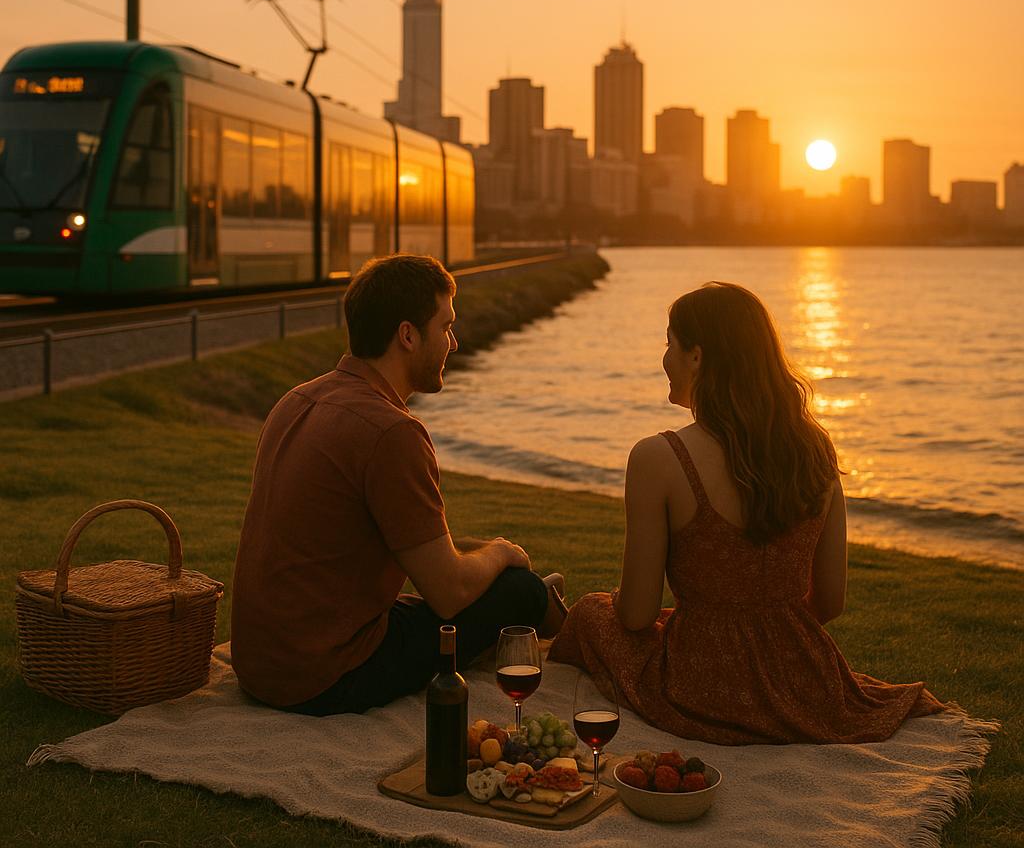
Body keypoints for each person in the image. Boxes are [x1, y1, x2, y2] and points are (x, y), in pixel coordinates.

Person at [548, 281, 945, 744]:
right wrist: (766, 641)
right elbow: (830, 602)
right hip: (804, 679)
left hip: (699, 684)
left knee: (591, 611)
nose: (665, 359)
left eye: (669, 344)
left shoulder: (659, 457)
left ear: (697, 356)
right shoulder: (816, 450)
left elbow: (636, 616)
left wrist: (707, 627)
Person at [231, 253, 565, 715]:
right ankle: (553, 615)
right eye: (446, 327)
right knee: (520, 589)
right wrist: (503, 553)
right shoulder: (391, 431)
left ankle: (540, 601)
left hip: (260, 664)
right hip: (325, 676)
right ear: (408, 335)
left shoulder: (297, 400)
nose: (454, 342)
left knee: (480, 576)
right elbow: (447, 593)